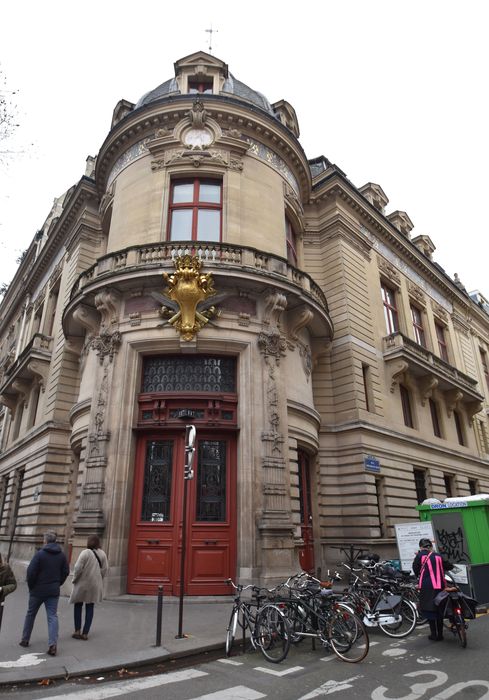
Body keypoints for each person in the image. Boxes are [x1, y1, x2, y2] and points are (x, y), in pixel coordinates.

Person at [19, 531, 69, 656]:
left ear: (45, 541)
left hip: (37, 590)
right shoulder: (62, 555)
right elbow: (66, 572)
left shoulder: (39, 554)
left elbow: (31, 573)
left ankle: (25, 640)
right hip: (53, 590)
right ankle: (52, 645)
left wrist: (32, 587)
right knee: (52, 616)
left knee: (30, 614)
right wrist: (58, 583)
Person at [69, 535, 108, 640]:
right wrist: (99, 578)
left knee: (78, 605)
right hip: (94, 584)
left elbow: (77, 568)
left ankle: (77, 630)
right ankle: (85, 633)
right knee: (90, 607)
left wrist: (75, 579)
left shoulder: (85, 553)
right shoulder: (102, 554)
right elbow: (105, 569)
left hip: (82, 583)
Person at [412, 537, 445, 641]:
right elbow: (447, 566)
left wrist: (422, 575)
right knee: (439, 608)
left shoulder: (420, 556)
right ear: (430, 546)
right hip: (440, 585)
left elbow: (415, 568)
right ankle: (440, 635)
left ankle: (433, 635)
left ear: (421, 547)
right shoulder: (438, 556)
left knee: (430, 609)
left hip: (426, 587)